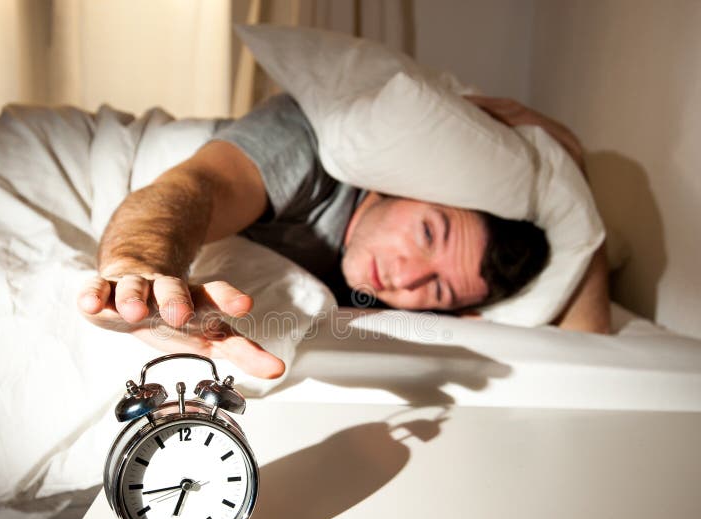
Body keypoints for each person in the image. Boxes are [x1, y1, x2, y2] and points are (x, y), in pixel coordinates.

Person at [77, 94, 610, 379]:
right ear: (409, 183)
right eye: (427, 233)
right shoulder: (310, 146)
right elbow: (199, 189)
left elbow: (591, 358)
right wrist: (139, 263)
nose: (406, 274)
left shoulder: (411, 301)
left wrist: (572, 187)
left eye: (438, 290)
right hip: (83, 160)